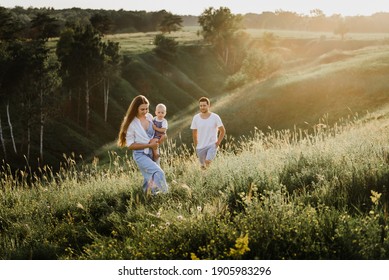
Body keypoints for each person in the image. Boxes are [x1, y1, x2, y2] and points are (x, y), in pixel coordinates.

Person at [117, 95, 168, 194]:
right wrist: (149, 146)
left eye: (147, 108)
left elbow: (156, 134)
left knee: (149, 179)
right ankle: (166, 194)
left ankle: (146, 198)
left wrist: (162, 138)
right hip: (141, 154)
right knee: (158, 172)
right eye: (142, 109)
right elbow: (130, 145)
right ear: (135, 109)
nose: (145, 111)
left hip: (153, 152)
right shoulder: (131, 123)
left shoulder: (149, 117)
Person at [190, 97, 226, 169]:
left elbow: (222, 130)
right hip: (200, 147)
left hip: (212, 145)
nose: (202, 107)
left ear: (208, 106)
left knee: (208, 162)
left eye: (204, 105)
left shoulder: (215, 117)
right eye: (201, 106)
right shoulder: (196, 118)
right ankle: (206, 179)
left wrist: (218, 142)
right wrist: (196, 145)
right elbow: (194, 133)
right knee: (203, 167)